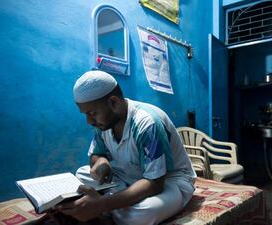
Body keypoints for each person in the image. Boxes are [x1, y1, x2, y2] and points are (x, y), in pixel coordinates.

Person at [56, 70, 196, 225]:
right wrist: (101, 163)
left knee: (141, 213)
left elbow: (155, 183)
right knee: (81, 174)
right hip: (128, 174)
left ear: (113, 103)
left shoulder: (147, 123)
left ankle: (109, 207)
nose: (89, 121)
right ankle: (116, 204)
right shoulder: (104, 123)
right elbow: (96, 154)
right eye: (85, 114)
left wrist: (102, 204)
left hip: (169, 181)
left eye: (92, 113)